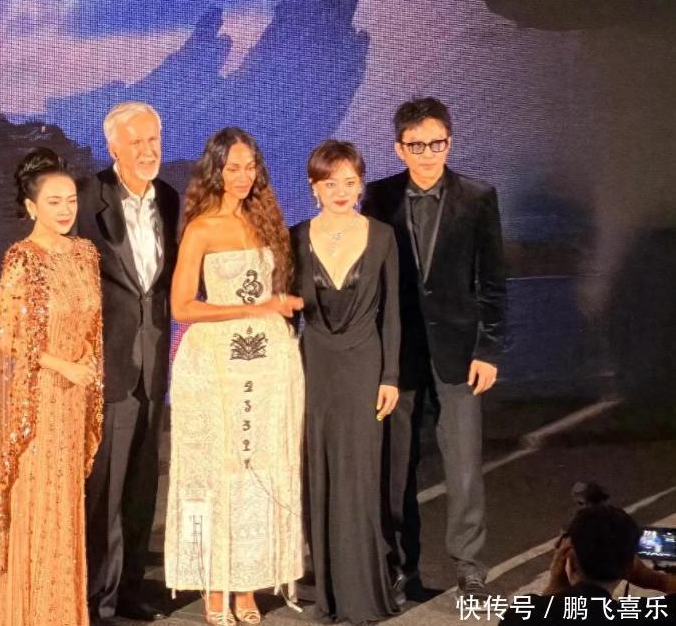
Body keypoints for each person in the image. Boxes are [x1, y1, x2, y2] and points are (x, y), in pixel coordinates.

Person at [361, 97, 506, 599]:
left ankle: (469, 564)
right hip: (398, 353)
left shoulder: (478, 196)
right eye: (417, 145)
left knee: (464, 465)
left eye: (437, 143)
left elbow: (493, 281)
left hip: (460, 352)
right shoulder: (378, 198)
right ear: (399, 149)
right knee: (398, 464)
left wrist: (489, 348)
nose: (428, 153)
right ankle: (403, 566)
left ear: (450, 142)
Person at [164, 127, 305, 626]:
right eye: (233, 168)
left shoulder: (266, 220)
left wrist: (274, 312)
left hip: (266, 365)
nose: (243, 177)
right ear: (216, 171)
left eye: (250, 167)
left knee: (258, 469)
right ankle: (214, 585)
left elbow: (278, 294)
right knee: (214, 471)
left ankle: (249, 585)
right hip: (213, 365)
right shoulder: (201, 228)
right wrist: (254, 308)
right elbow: (182, 306)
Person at [0, 148, 104, 625]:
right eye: (53, 201)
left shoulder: (86, 254)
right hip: (39, 403)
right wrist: (64, 367)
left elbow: (93, 326)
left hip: (74, 401)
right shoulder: (22, 260)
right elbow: (9, 341)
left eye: (70, 200)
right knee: (39, 506)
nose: (65, 210)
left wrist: (87, 366)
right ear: (31, 207)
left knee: (66, 508)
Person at [74, 101, 180, 623]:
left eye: (153, 139)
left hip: (153, 366)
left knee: (141, 487)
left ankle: (131, 590)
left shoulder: (171, 199)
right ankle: (94, 597)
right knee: (103, 490)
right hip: (107, 366)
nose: (147, 151)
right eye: (135, 142)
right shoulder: (86, 197)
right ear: (113, 147)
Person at [290, 140, 401, 624]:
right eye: (330, 182)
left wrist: (390, 376)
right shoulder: (296, 237)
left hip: (364, 367)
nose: (341, 191)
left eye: (350, 182)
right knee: (320, 472)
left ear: (361, 185)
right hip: (314, 365)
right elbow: (288, 315)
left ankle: (363, 593)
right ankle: (328, 594)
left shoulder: (381, 236)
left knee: (359, 474)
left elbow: (392, 314)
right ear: (313, 187)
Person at [500, 505, 676, 624]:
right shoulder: (652, 615)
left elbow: (545, 613)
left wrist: (555, 586)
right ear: (629, 567)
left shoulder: (522, 614)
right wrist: (659, 580)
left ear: (568, 556)